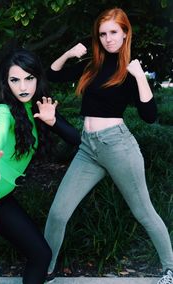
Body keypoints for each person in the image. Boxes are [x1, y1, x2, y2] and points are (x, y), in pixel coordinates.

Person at [44, 7, 173, 284]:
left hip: (118, 147)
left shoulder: (129, 71)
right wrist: (68, 54)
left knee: (144, 212)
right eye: (102, 34)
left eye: (114, 32)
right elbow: (52, 75)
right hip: (88, 149)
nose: (108, 39)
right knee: (58, 213)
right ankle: (46, 269)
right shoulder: (92, 66)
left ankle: (170, 269)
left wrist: (139, 76)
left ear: (125, 33)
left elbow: (150, 117)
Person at [0, 48, 80, 284]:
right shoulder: (4, 111)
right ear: (6, 82)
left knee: (41, 255)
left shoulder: (40, 109)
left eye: (28, 78)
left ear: (37, 78)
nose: (23, 87)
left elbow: (76, 139)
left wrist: (53, 121)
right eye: (15, 80)